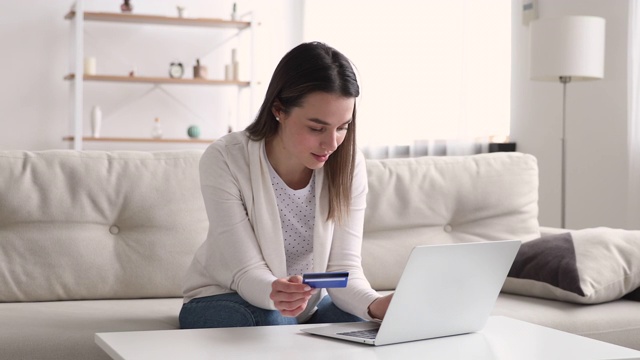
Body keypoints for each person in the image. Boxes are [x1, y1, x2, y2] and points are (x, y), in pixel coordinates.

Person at [179, 42, 392, 329]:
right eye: (317, 128)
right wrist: (277, 294)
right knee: (271, 319)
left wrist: (376, 305)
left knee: (362, 319)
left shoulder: (349, 165)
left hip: (298, 309)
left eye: (342, 127)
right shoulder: (226, 158)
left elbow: (344, 273)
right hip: (224, 298)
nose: (331, 144)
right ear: (279, 110)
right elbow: (246, 272)